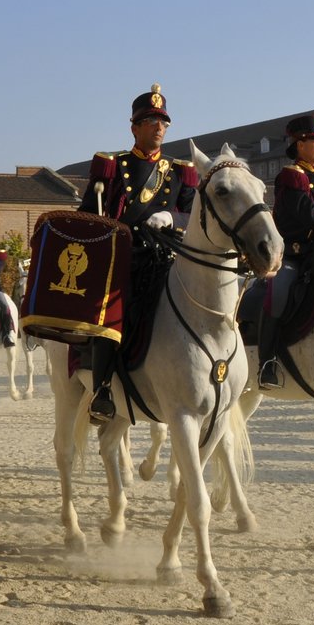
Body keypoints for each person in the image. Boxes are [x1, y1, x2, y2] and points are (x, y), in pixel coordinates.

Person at [78, 84, 197, 421]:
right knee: (111, 312)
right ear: (134, 127)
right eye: (150, 122)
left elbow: (193, 215)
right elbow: (89, 215)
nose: (159, 127)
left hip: (167, 259)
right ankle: (102, 390)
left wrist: (172, 217)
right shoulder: (113, 166)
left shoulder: (179, 172)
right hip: (126, 261)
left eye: (163, 122)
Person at [260, 110, 314, 389]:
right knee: (278, 294)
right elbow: (307, 216)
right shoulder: (291, 176)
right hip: (295, 255)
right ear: (300, 144)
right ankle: (267, 362)